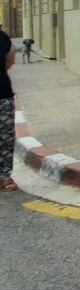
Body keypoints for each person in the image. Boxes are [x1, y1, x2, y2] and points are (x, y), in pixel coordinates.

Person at [0, 26, 16, 192]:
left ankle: (4, 175)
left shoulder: (3, 37)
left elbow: (9, 60)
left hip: (3, 94)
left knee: (6, 136)